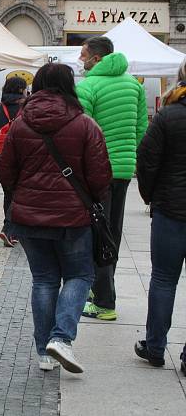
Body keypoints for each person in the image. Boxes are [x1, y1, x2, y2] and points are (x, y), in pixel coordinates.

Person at [0, 63, 112, 374]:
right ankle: (61, 338)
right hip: (73, 217)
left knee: (44, 280)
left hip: (30, 217)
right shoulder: (85, 125)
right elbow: (101, 178)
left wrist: (25, 193)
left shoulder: (20, 124)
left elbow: (4, 172)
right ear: (69, 85)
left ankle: (44, 353)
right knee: (80, 276)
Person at [76, 36, 148, 322]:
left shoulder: (89, 86)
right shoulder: (134, 85)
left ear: (96, 57)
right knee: (112, 230)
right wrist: (132, 160)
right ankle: (101, 288)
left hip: (97, 171)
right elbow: (142, 128)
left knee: (98, 233)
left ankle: (104, 300)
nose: (81, 61)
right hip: (123, 170)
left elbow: (83, 132)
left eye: (83, 55)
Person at [133, 59, 186, 374]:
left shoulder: (168, 116)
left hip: (170, 210)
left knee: (164, 278)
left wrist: (150, 195)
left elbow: (147, 159)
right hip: (169, 206)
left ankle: (155, 346)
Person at [0, 76, 28, 248]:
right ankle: (9, 229)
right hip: (21, 159)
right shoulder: (26, 109)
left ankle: (12, 231)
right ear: (20, 90)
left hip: (1, 158)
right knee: (19, 196)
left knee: (8, 194)